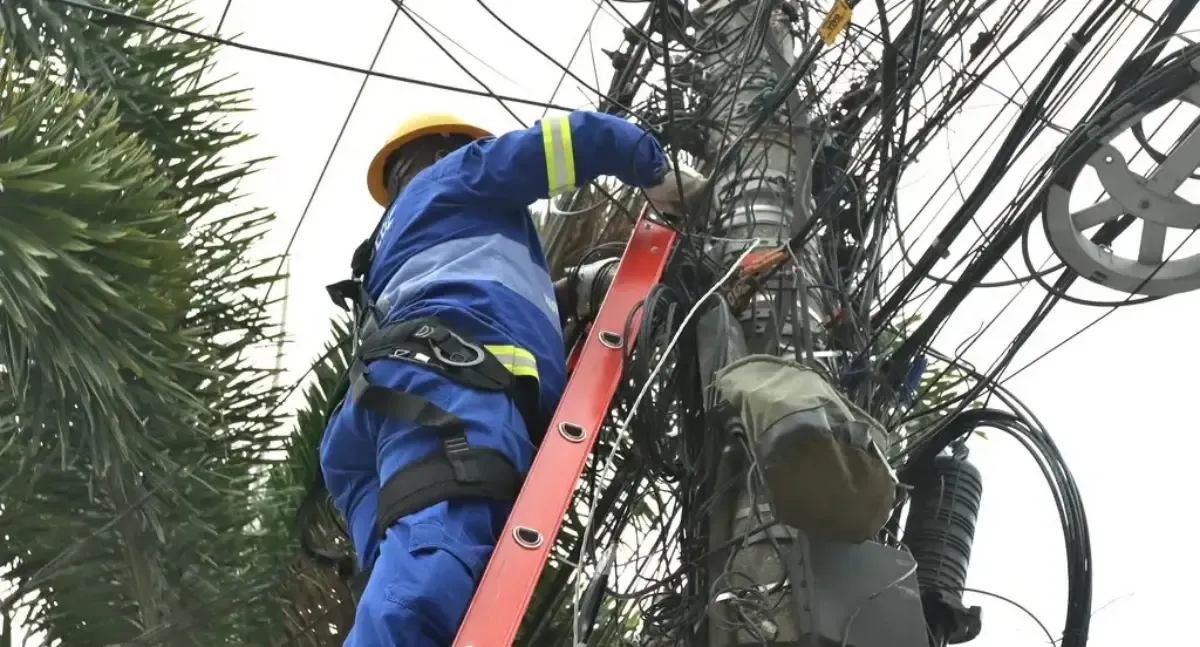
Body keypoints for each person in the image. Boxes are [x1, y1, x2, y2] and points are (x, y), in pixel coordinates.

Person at [317, 110, 705, 647]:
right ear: (450, 148)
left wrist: (567, 295)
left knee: (407, 581)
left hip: (373, 422)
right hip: (447, 390)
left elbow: (474, 288)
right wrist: (659, 173)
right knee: (428, 576)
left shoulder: (397, 234)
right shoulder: (461, 172)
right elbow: (573, 140)